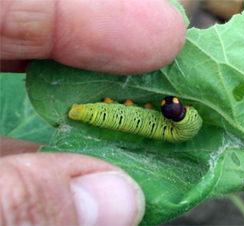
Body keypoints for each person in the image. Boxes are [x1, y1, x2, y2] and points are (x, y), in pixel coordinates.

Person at [0, 0, 186, 225]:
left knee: (122, 118)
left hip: (104, 114)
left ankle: (89, 113)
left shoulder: (170, 125)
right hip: (114, 116)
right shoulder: (173, 128)